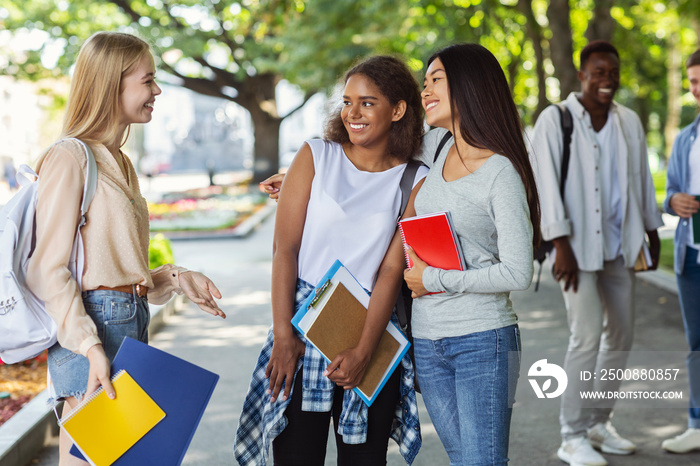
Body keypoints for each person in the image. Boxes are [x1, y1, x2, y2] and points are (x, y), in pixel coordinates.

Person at [25, 32, 226, 466]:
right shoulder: (70, 157)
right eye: (148, 80)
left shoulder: (119, 161)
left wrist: (173, 278)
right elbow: (47, 269)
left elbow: (113, 270)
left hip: (129, 326)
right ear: (111, 84)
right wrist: (89, 346)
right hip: (91, 337)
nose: (157, 91)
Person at [234, 55, 426, 466]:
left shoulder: (414, 178)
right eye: (347, 101)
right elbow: (284, 250)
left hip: (371, 332)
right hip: (301, 331)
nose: (353, 113)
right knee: (295, 456)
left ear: (398, 110)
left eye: (368, 103)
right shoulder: (316, 155)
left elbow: (392, 270)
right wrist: (284, 336)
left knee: (365, 459)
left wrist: (362, 350)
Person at [398, 42, 539, 466]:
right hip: (427, 340)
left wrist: (435, 280)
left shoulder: (500, 172)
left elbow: (518, 272)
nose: (425, 91)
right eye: (425, 83)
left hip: (483, 339)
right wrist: (299, 174)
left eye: (436, 80)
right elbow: (372, 158)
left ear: (470, 86)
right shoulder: (436, 145)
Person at [531, 40, 664, 466]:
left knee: (621, 336)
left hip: (618, 246)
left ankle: (597, 422)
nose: (608, 80)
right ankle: (571, 435)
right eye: (599, 72)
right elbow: (545, 185)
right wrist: (560, 245)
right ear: (582, 74)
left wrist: (651, 230)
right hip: (575, 248)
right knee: (586, 336)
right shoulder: (556, 120)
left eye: (613, 73)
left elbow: (641, 177)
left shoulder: (628, 121)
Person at [661, 48, 700, 454]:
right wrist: (673, 202)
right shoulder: (687, 137)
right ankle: (696, 422)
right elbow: (671, 190)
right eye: (691, 81)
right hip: (690, 258)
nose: (696, 89)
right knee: (696, 344)